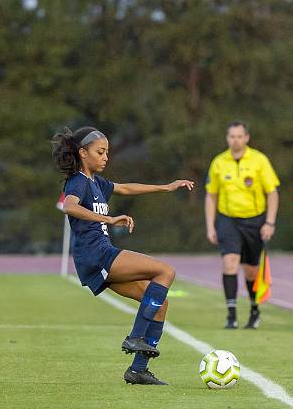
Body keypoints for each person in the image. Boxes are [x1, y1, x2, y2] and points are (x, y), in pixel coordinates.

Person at [52, 126, 194, 385]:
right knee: (166, 271)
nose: (106, 157)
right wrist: (108, 218)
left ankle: (138, 370)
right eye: (100, 152)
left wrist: (166, 188)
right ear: (83, 153)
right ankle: (136, 336)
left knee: (160, 304)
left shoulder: (98, 183)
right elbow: (69, 206)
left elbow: (126, 188)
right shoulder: (78, 182)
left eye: (107, 152)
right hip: (97, 254)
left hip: (98, 257)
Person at [204, 121, 279, 329]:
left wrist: (270, 223)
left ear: (246, 138)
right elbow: (211, 195)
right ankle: (231, 315)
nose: (235, 140)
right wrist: (210, 225)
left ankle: (254, 309)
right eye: (231, 136)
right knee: (229, 263)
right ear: (227, 138)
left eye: (239, 136)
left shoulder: (259, 160)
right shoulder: (219, 162)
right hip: (228, 219)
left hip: (255, 220)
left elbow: (272, 193)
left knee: (251, 271)